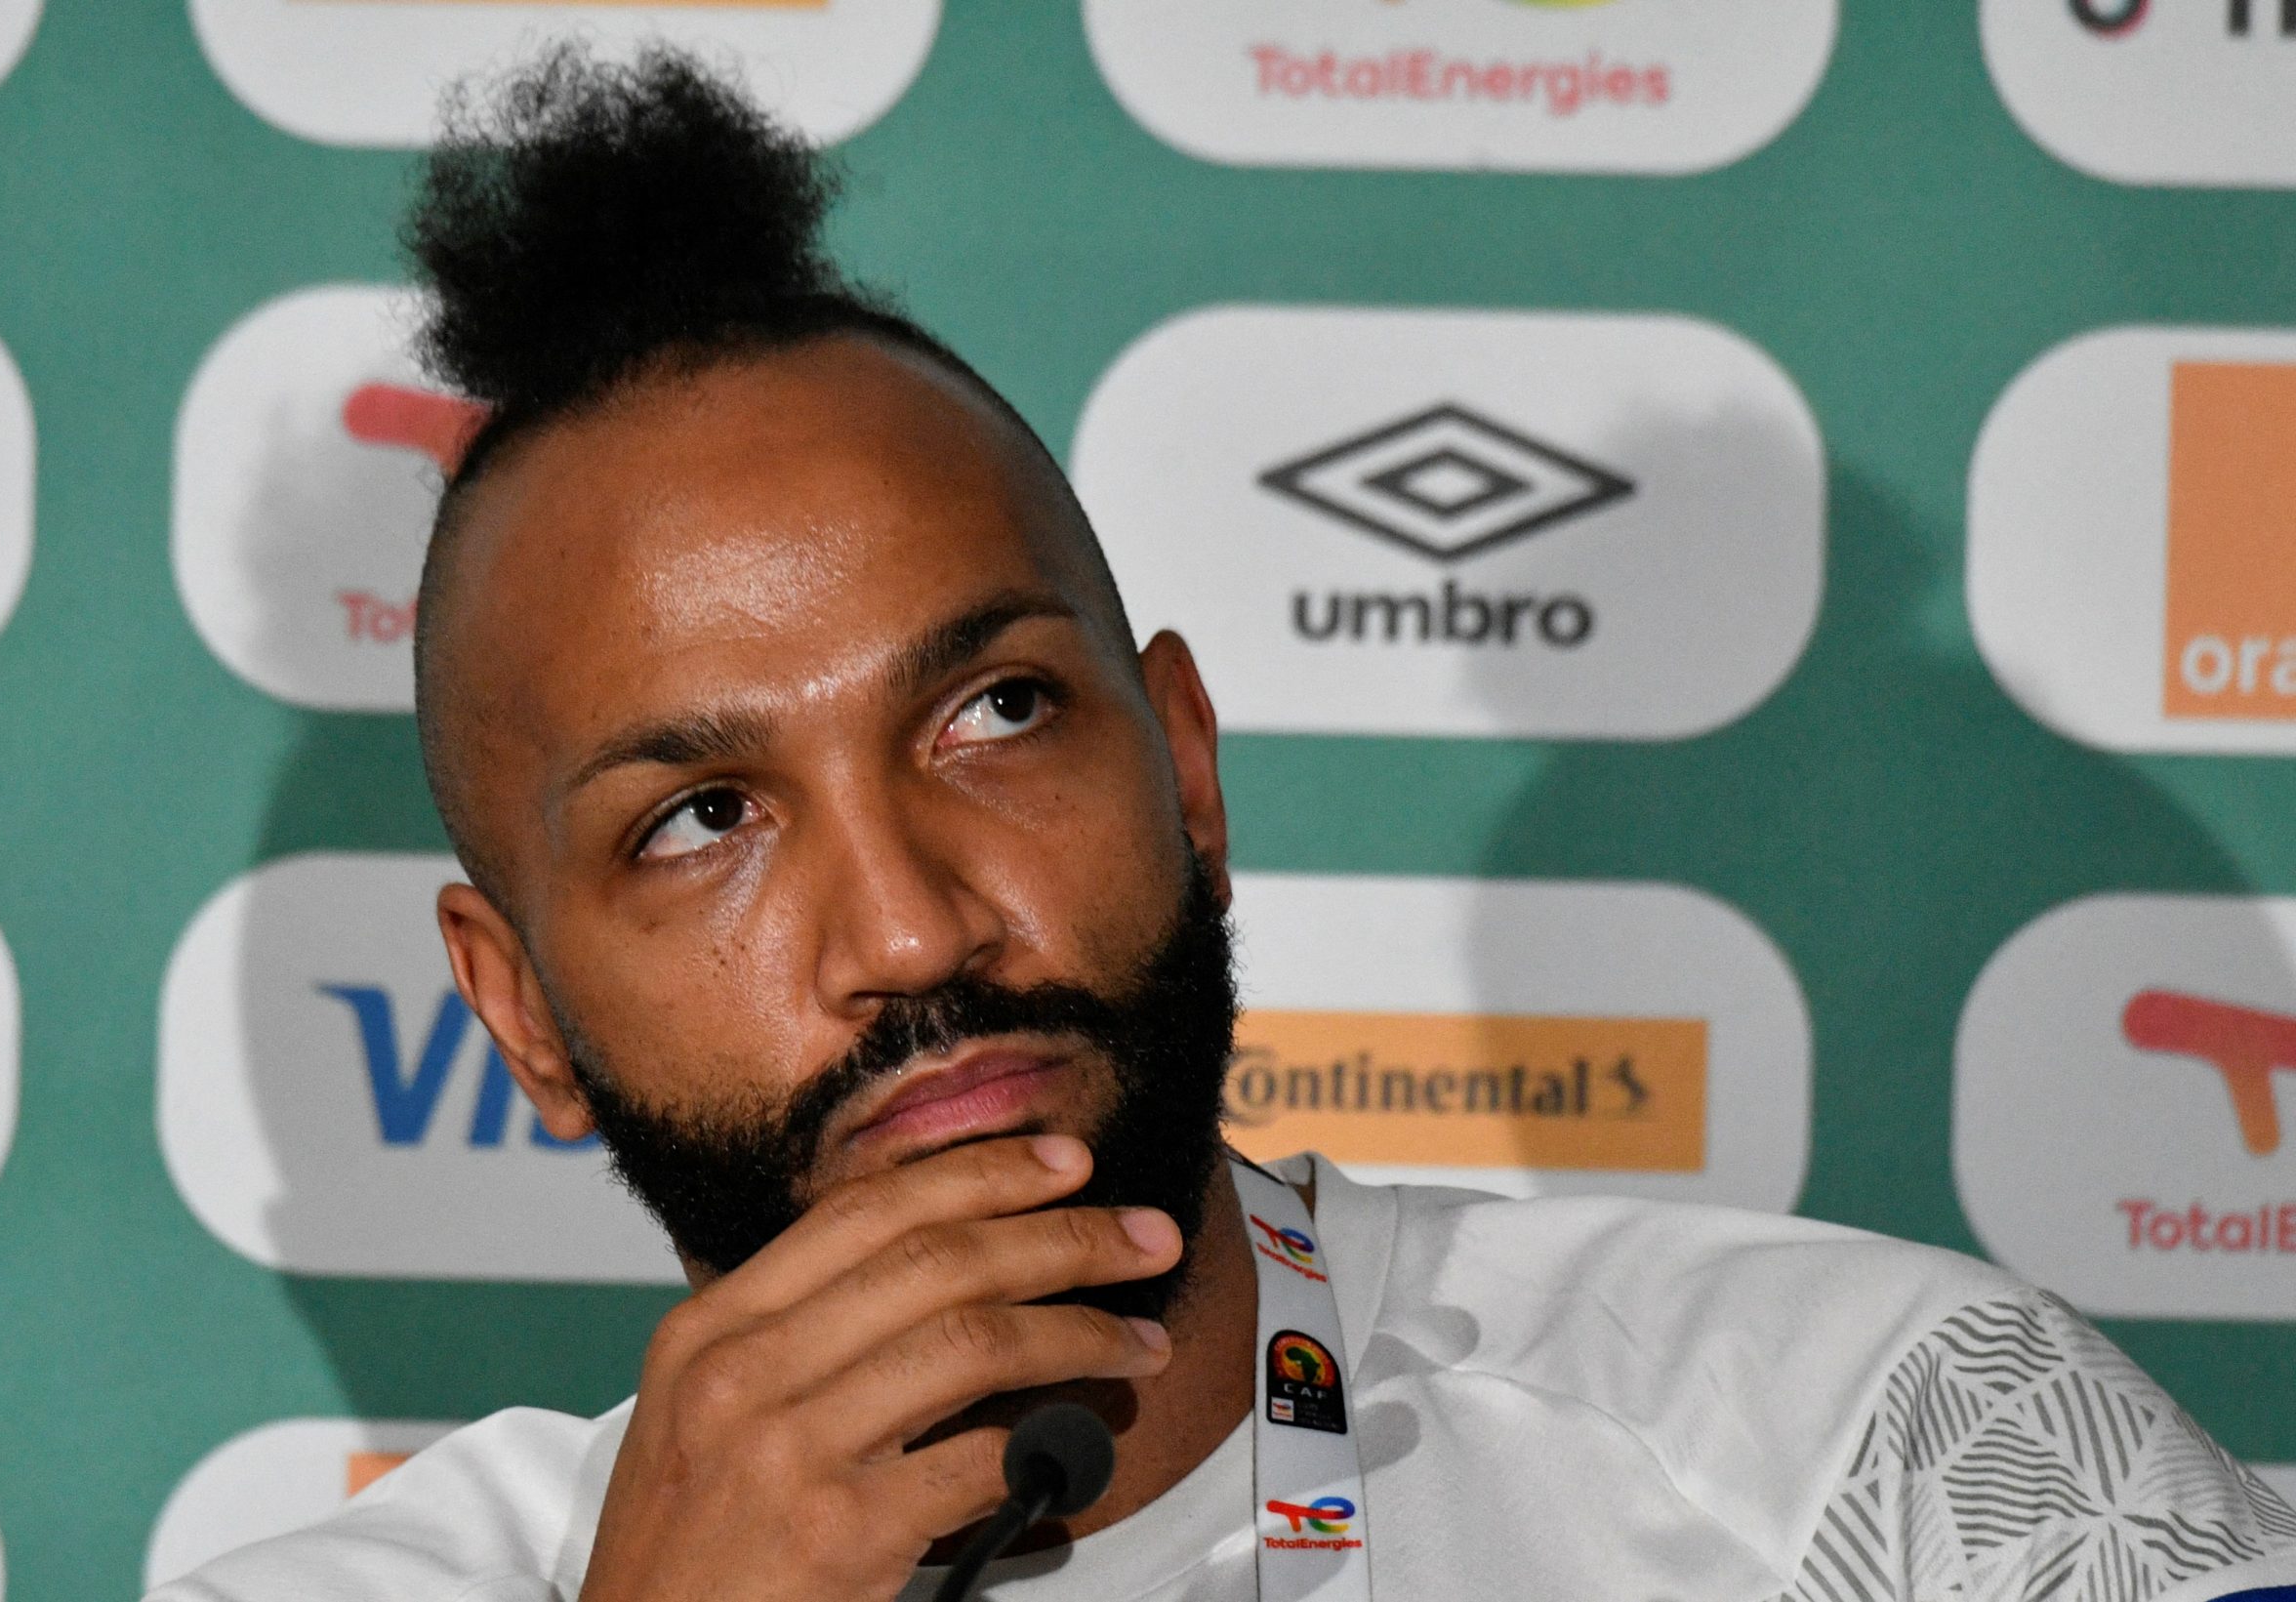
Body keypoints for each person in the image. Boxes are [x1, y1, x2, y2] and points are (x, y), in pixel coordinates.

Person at [148, 46, 2296, 1602]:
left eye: (994, 711)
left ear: (1183, 763)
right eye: (706, 816)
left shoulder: (1881, 1450)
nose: (909, 927)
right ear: (519, 1011)